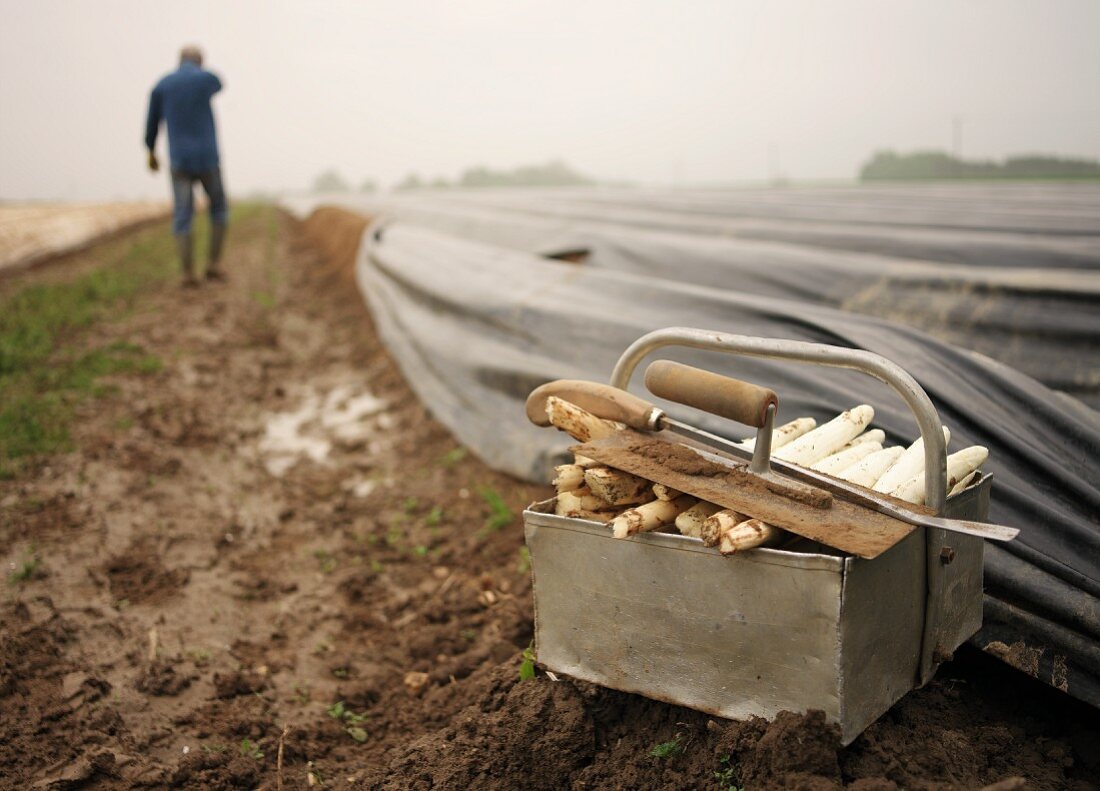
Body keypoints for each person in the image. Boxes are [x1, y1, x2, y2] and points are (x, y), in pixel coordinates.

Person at [145, 45, 228, 287]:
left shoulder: (162, 85)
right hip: (207, 158)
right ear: (200, 61)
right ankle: (213, 265)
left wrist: (150, 149)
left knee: (183, 213)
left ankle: (188, 273)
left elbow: (152, 122)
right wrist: (197, 72)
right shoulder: (205, 80)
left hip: (178, 159)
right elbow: (218, 82)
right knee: (219, 208)